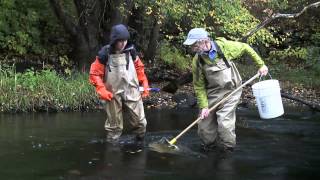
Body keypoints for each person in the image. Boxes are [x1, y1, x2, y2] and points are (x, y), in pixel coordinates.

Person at [183, 28, 268, 152]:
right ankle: (209, 149)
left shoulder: (224, 46)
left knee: (224, 123)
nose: (192, 48)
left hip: (232, 91)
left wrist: (261, 65)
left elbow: (245, 47)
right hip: (212, 92)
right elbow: (199, 86)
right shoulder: (197, 60)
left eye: (194, 45)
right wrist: (204, 106)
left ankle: (228, 151)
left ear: (203, 41)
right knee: (204, 127)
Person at [89, 24, 149, 143]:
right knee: (114, 127)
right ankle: (113, 150)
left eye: (125, 40)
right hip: (112, 93)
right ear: (114, 40)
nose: (123, 43)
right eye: (120, 41)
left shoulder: (131, 50)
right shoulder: (105, 53)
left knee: (141, 122)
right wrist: (101, 89)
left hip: (131, 89)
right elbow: (94, 74)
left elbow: (139, 68)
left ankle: (140, 143)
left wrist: (144, 82)